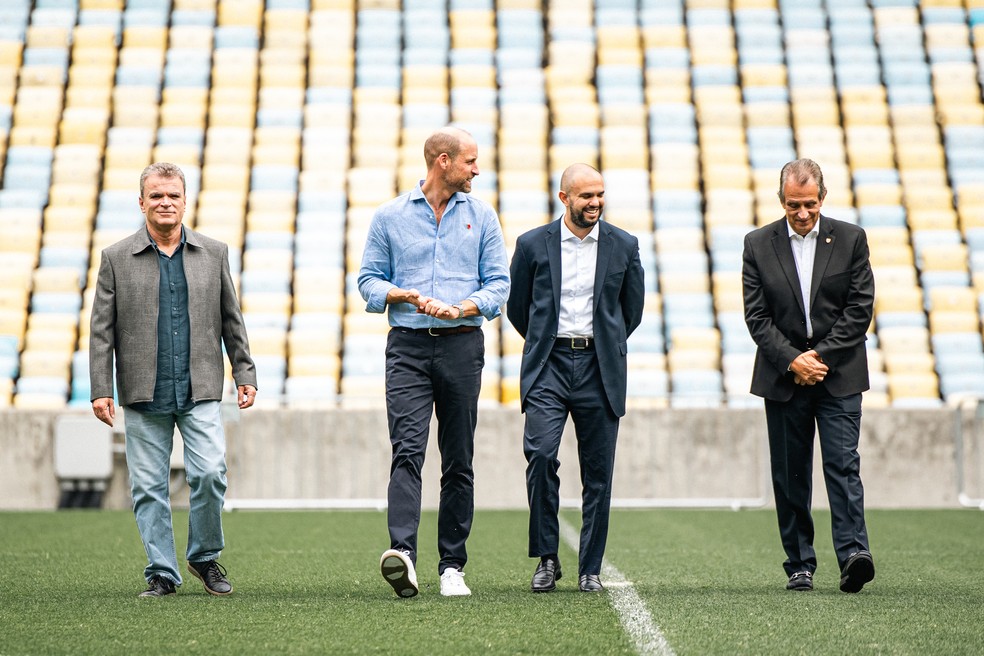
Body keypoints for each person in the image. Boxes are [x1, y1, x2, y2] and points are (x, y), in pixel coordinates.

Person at [89, 162, 257, 598]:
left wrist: (244, 370)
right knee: (148, 487)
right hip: (143, 391)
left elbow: (232, 319)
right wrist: (101, 388)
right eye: (157, 196)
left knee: (210, 473)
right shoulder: (115, 258)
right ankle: (162, 572)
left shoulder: (214, 253)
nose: (165, 203)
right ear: (141, 202)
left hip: (200, 386)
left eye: (173, 196)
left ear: (185, 201)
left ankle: (203, 556)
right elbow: (101, 330)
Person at [357, 126, 510, 598]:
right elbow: (368, 280)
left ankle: (452, 567)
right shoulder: (389, 217)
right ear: (443, 161)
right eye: (470, 161)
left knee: (458, 457)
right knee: (407, 450)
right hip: (407, 347)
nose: (476, 170)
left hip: (463, 345)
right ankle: (402, 553)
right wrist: (400, 294)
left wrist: (462, 308)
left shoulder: (483, 216)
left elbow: (499, 284)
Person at [506, 163, 645, 593]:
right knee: (540, 455)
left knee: (598, 473)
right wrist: (547, 344)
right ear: (564, 198)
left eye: (600, 194)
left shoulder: (624, 245)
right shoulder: (532, 244)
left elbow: (632, 311)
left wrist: (602, 344)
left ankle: (590, 568)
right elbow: (518, 308)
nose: (595, 202)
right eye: (586, 196)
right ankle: (547, 558)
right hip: (548, 365)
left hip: (599, 368)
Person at [742, 158, 876, 593]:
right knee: (790, 475)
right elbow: (757, 317)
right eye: (794, 204)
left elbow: (860, 309)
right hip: (783, 379)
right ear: (781, 200)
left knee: (843, 465)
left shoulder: (851, 239)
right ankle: (799, 564)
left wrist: (817, 358)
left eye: (810, 204)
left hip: (839, 376)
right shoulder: (757, 244)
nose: (802, 213)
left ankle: (854, 555)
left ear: (823, 197)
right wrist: (792, 361)